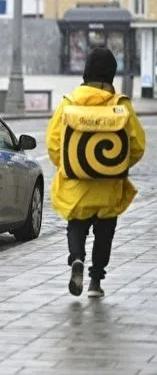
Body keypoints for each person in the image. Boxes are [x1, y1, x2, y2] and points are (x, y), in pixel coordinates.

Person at [46, 47, 145, 298]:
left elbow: (54, 143)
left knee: (76, 225)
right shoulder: (120, 105)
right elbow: (137, 145)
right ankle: (95, 282)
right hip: (108, 187)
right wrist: (118, 165)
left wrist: (69, 165)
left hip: (76, 185)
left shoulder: (69, 103)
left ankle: (76, 258)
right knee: (105, 232)